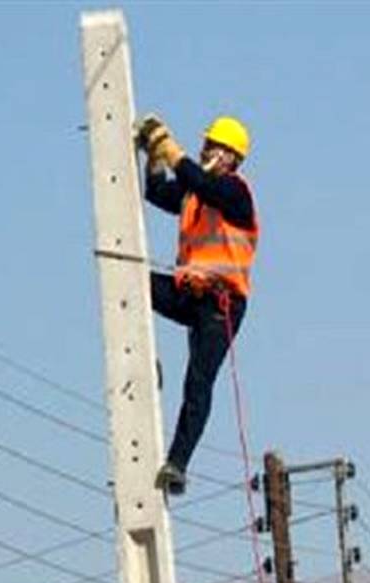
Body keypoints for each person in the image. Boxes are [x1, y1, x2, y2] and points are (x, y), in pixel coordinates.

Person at [135, 115, 259, 495]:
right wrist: (154, 159)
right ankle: (139, 356)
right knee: (132, 285)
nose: (205, 151)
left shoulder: (235, 193)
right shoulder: (195, 195)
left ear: (231, 157)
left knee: (198, 381)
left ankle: (178, 464)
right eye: (205, 145)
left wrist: (170, 150)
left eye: (212, 147)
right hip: (191, 292)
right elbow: (158, 194)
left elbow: (201, 183)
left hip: (222, 304)